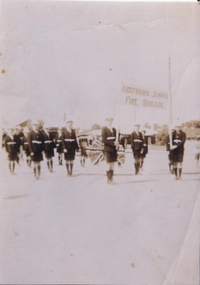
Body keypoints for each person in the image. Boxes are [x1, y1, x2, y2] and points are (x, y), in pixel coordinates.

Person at [102, 118, 119, 184]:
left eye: (111, 121)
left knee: (113, 164)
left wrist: (117, 143)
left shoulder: (114, 129)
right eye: (108, 121)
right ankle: (108, 179)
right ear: (106, 121)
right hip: (108, 149)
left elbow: (116, 139)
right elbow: (104, 140)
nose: (109, 122)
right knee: (108, 165)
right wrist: (113, 144)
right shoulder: (104, 129)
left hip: (114, 149)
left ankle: (112, 179)